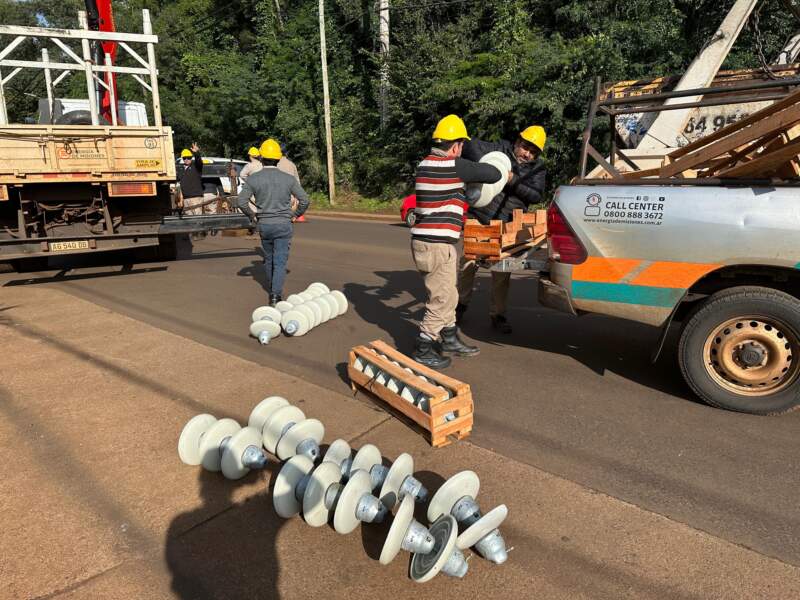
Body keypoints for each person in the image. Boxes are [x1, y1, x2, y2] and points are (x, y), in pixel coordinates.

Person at [410, 114, 504, 370]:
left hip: (439, 243)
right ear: (456, 145)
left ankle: (449, 338)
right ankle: (423, 345)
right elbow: (493, 174)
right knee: (440, 300)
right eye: (461, 145)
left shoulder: (426, 164)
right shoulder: (453, 166)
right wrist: (495, 171)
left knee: (450, 293)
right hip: (435, 244)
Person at [456, 125, 548, 334]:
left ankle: (498, 315)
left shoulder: (537, 169)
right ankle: (459, 306)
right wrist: (491, 169)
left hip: (507, 224)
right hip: (480, 218)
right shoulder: (500, 150)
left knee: (501, 272)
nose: (527, 154)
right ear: (517, 142)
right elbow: (470, 146)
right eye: (525, 147)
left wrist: (512, 179)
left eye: (533, 152)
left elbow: (535, 196)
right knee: (469, 263)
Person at [236, 138, 310, 306]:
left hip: (264, 224)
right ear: (278, 158)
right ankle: (275, 295)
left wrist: (252, 215)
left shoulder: (254, 179)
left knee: (269, 259)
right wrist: (294, 214)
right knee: (280, 261)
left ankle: (272, 288)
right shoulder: (288, 179)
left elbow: (241, 201)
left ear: (261, 158)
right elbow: (305, 200)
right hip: (284, 224)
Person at [176, 143, 204, 216]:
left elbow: (199, 161)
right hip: (185, 199)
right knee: (189, 219)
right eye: (184, 158)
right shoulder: (181, 170)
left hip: (196, 198)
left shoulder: (196, 167)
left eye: (188, 157)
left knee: (197, 218)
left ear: (191, 157)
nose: (186, 159)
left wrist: (196, 152)